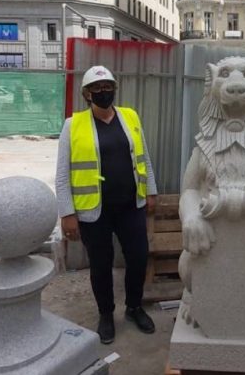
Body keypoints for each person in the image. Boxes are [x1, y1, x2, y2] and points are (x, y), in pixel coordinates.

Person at [56, 65, 158, 344]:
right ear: (87, 94)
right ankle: (105, 314)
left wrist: (151, 191)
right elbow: (62, 173)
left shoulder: (129, 116)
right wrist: (67, 213)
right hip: (93, 211)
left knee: (137, 258)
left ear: (114, 88)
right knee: (101, 266)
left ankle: (134, 307)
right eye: (97, 89)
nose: (103, 92)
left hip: (130, 206)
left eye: (108, 87)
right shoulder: (72, 125)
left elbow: (144, 157)